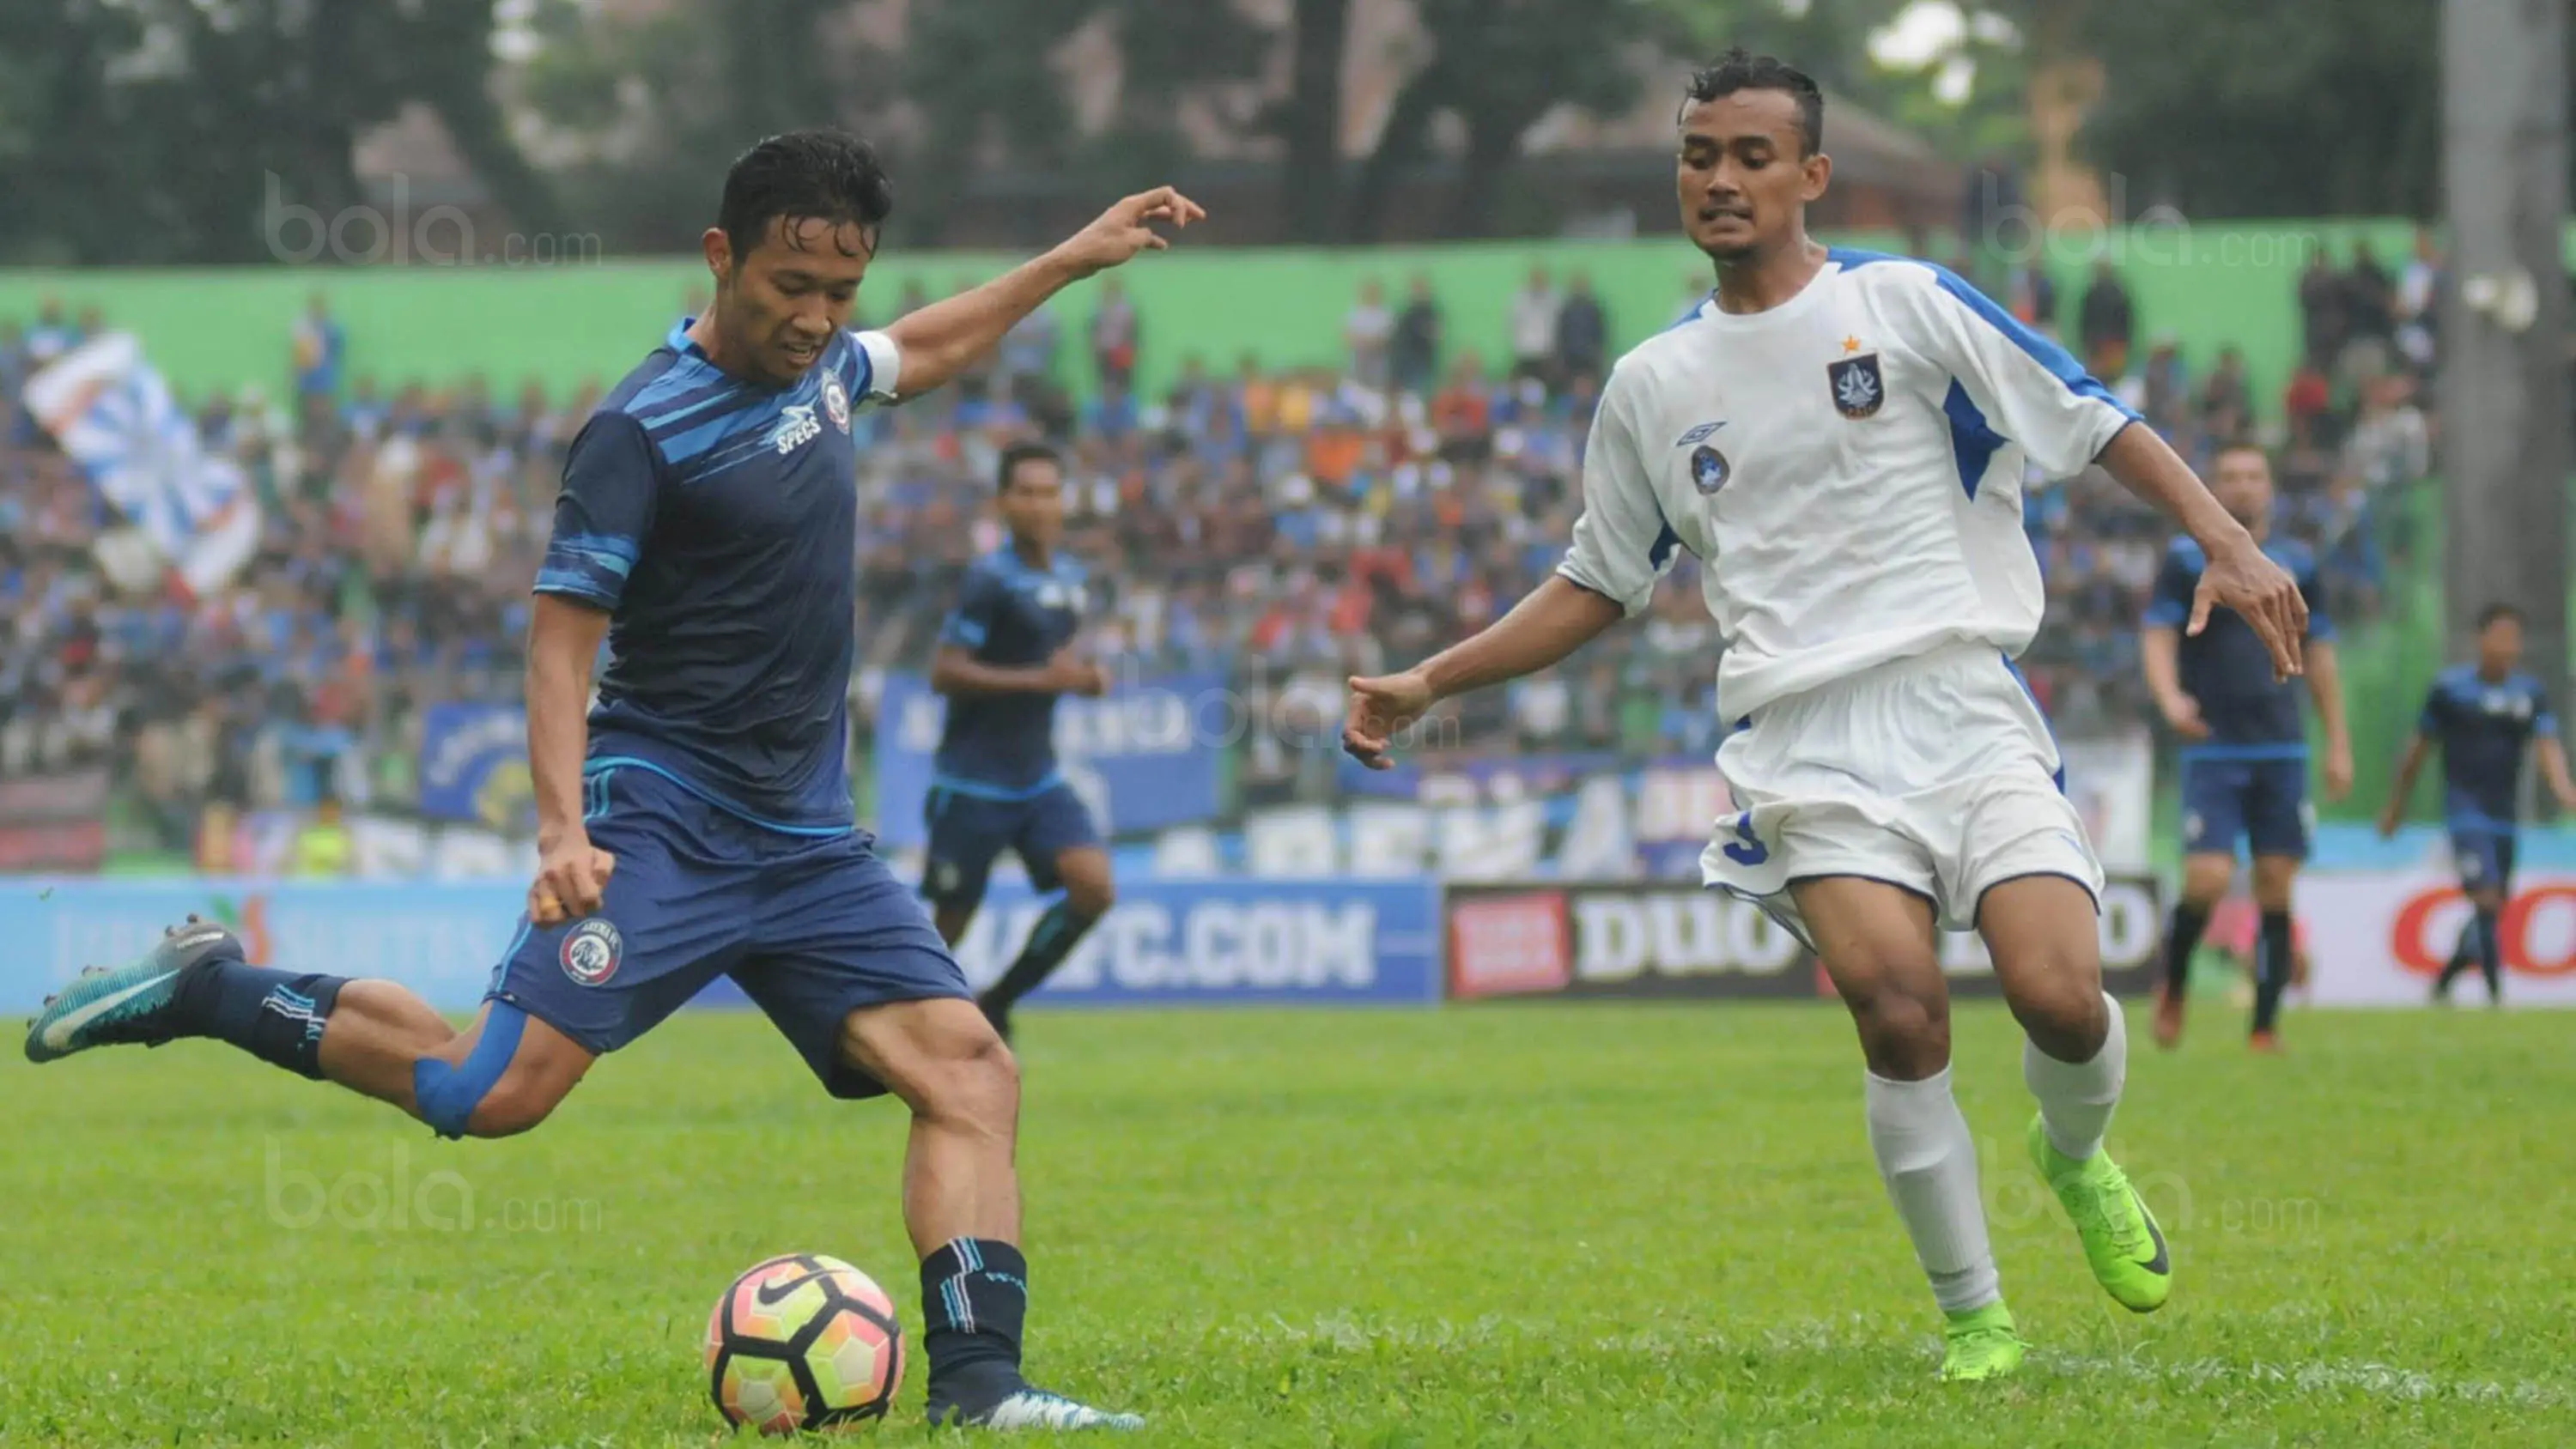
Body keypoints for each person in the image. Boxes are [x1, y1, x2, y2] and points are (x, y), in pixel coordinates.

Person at [24, 129, 1201, 1433]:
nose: (815, 320)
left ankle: (983, 1389)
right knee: (488, 1094)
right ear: (721, 257)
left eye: (839, 293)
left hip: (808, 839)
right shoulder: (639, 430)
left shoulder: (825, 375)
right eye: (788, 288)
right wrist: (558, 832)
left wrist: (1071, 262)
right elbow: (559, 641)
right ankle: (211, 987)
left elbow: (922, 348)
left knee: (972, 1070)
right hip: (665, 820)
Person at [1340, 49, 2309, 1384]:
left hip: (1967, 708)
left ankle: (2072, 1157)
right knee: (1900, 1009)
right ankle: (1977, 1321)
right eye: (1697, 156)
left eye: (1749, 155)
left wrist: (2226, 538)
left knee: (2062, 999)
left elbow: (2091, 418)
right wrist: (1430, 678)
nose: (1720, 180)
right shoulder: (1651, 385)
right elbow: (1594, 582)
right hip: (1804, 744)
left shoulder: (1905, 303)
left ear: (1812, 174)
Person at [2144, 442, 2348, 1054]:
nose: (2242, 485)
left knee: (2276, 883)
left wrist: (2337, 741)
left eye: (2253, 475)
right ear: (2214, 485)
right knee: (2206, 878)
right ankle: (2173, 984)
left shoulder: (2298, 563)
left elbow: (2319, 654)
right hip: (2214, 746)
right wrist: (2170, 698)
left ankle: (2264, 1026)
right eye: (2230, 476)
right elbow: (2157, 633)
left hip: (2281, 748)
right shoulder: (2186, 558)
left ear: (2270, 487)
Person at [921, 441, 1115, 1042]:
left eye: (1050, 492)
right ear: (1004, 502)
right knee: (949, 924)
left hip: (1037, 779)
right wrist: (1044, 680)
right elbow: (945, 672)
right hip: (972, 782)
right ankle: (900, 1027)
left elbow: (1048, 662)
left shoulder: (1071, 579)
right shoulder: (989, 579)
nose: (1039, 505)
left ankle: (997, 1001)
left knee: (1093, 887)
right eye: (1026, 493)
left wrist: (1082, 679)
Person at [2378, 603, 2576, 1004]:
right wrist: (2397, 805)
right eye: (2499, 635)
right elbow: (2418, 750)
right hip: (2465, 811)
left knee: (2495, 905)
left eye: (2514, 638)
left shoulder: (2528, 694)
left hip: (2505, 814)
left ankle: (2445, 981)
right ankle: (2494, 994)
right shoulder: (2451, 691)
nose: (2507, 646)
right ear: (2480, 639)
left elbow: (2547, 747)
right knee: (2485, 897)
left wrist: (2564, 789)